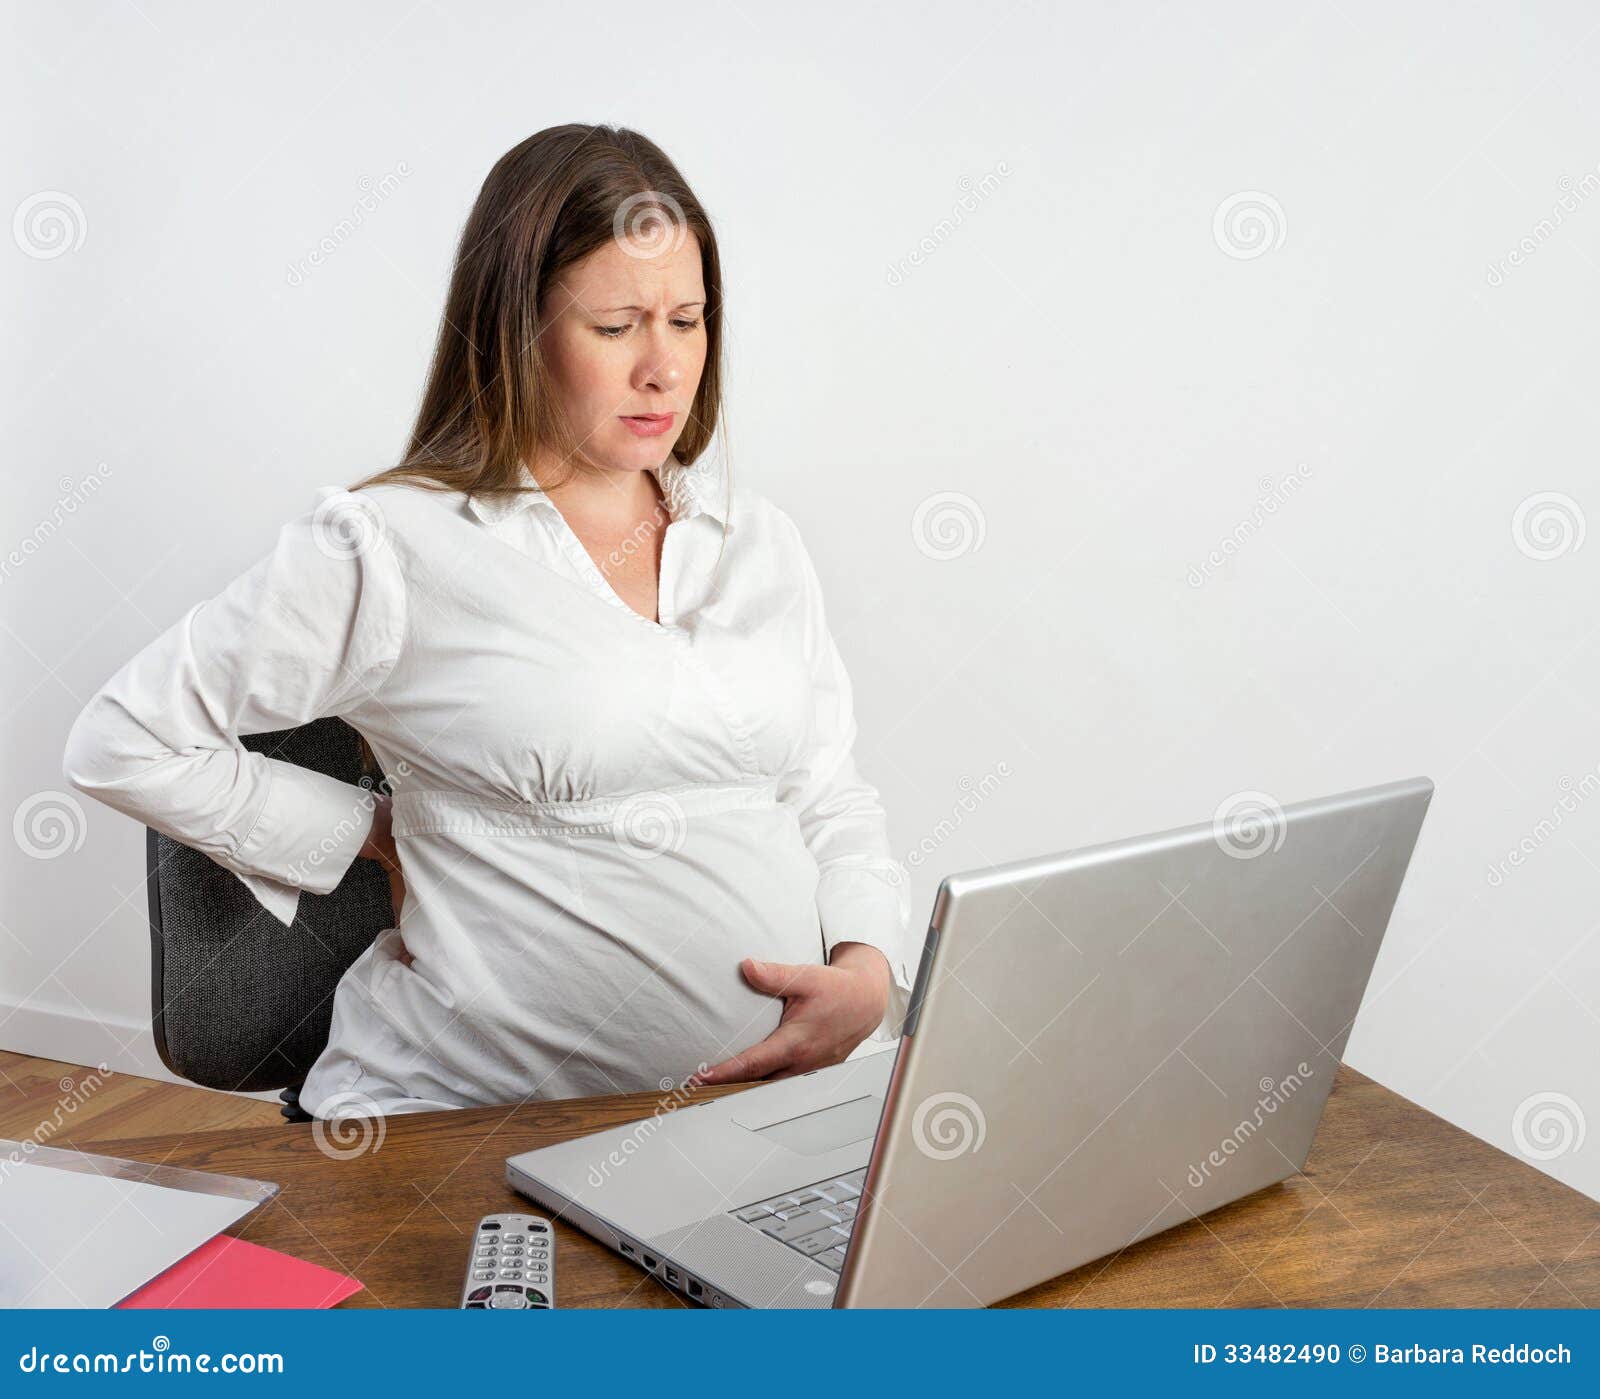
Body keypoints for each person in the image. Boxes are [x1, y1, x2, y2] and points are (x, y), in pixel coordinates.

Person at [60, 124, 913, 1119]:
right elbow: (124, 738)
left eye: (687, 320)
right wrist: (358, 828)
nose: (662, 368)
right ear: (516, 328)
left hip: (756, 1124)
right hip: (465, 1128)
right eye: (615, 326)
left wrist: (866, 967)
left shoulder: (757, 539)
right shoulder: (389, 545)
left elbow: (828, 793)